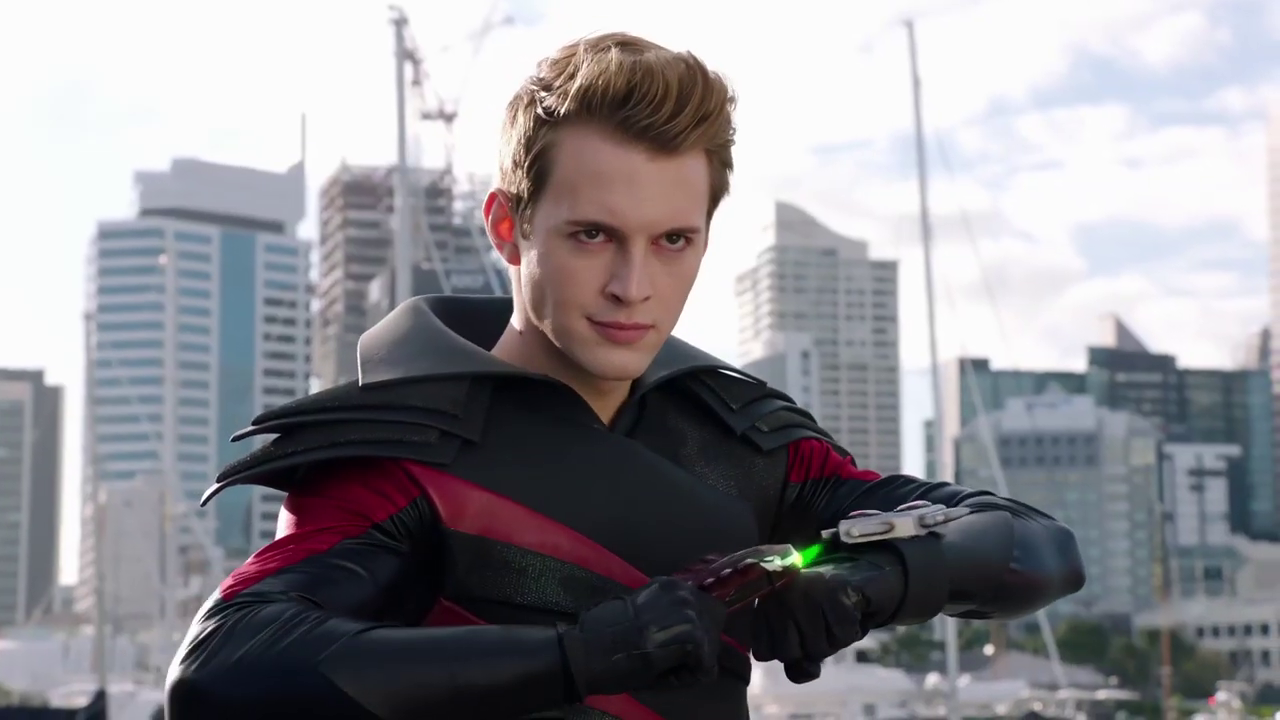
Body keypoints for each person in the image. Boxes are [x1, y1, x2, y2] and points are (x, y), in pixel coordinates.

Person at [165, 32, 1084, 720]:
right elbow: (221, 672)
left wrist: (868, 582)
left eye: (673, 240)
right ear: (509, 228)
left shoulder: (749, 446)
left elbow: (1040, 551)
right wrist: (583, 657)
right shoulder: (403, 460)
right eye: (592, 235)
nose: (633, 286)